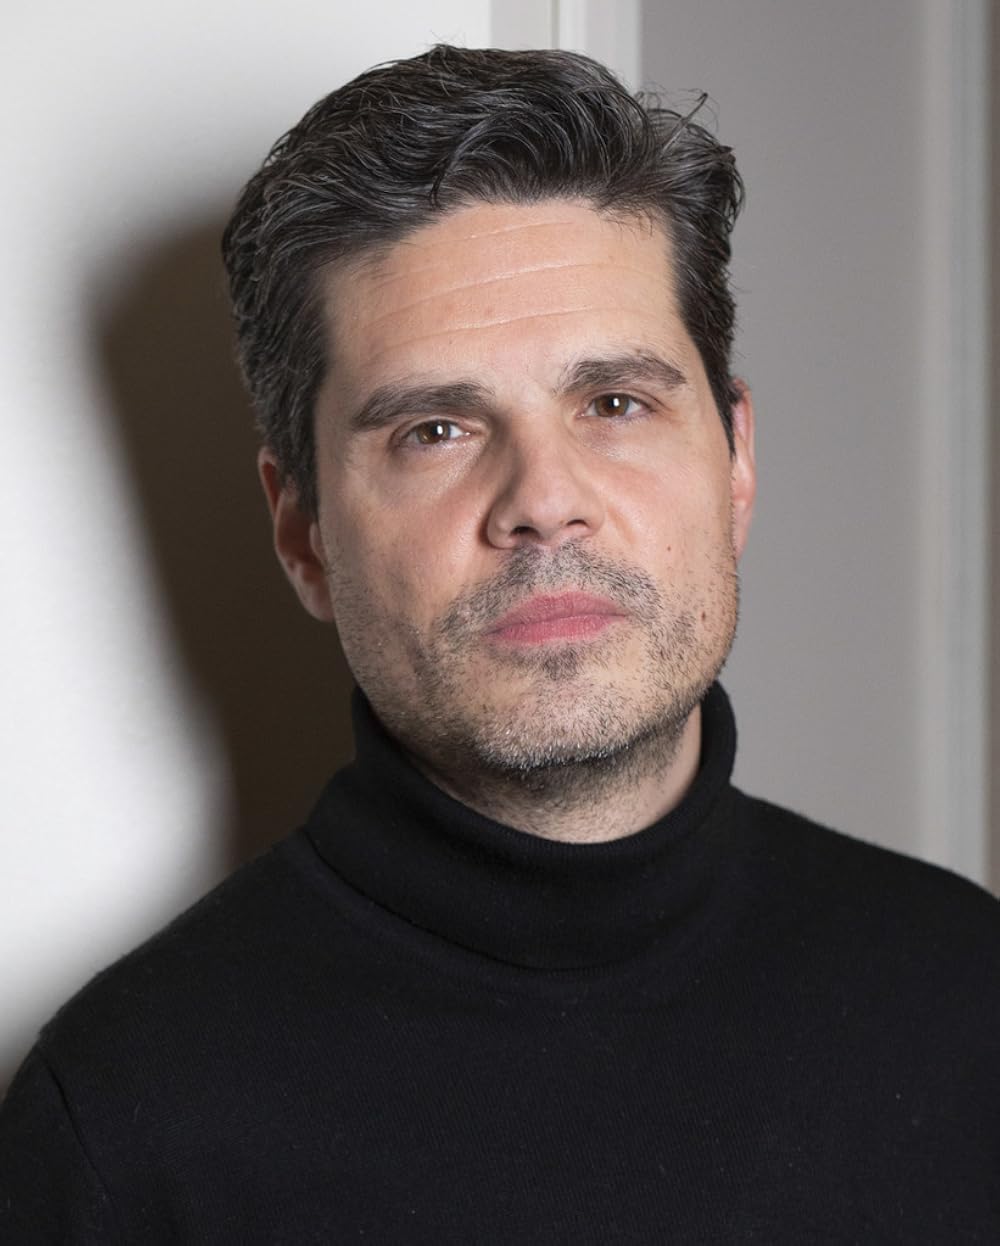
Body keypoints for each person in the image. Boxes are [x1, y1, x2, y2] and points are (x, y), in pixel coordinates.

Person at [1, 44, 997, 1244]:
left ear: (735, 464)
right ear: (302, 532)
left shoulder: (968, 996)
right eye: (434, 428)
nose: (544, 501)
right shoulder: (123, 1129)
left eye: (615, 404)